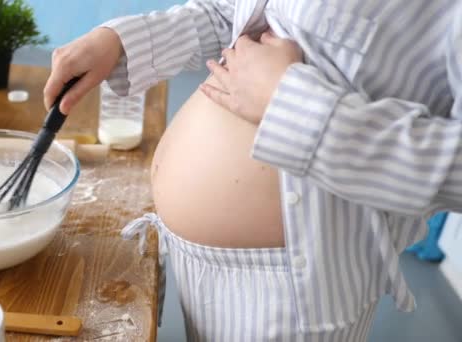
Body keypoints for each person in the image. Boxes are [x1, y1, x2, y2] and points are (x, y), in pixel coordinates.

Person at [43, 1, 462, 341]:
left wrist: (291, 103)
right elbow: (238, 14)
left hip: (290, 295)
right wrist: (119, 41)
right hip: (198, 265)